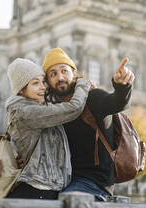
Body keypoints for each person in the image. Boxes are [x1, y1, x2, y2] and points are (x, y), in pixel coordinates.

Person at [42, 48, 135, 201]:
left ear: (74, 72)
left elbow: (116, 102)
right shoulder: (52, 111)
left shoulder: (92, 97)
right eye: (53, 74)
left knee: (70, 200)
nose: (60, 77)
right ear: (48, 81)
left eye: (64, 71)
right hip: (61, 180)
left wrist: (122, 87)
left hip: (94, 182)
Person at [5, 58, 91, 199]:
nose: (43, 87)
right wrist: (82, 85)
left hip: (42, 189)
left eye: (43, 82)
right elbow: (73, 108)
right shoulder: (26, 113)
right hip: (37, 190)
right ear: (21, 90)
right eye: (35, 83)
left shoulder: (36, 109)